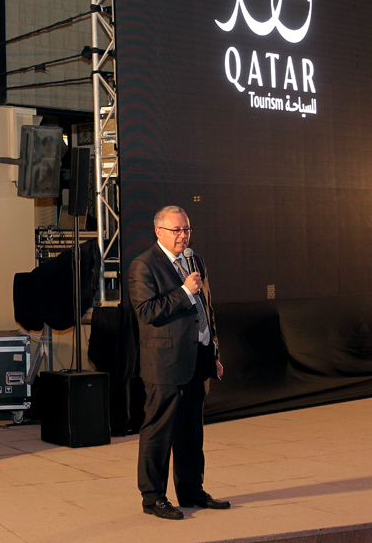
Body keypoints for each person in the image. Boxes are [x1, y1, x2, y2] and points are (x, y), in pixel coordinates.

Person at [128, 205, 229, 520]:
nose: (183, 235)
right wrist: (184, 291)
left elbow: (206, 308)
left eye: (186, 229)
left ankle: (191, 491)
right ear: (159, 232)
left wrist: (213, 350)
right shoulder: (144, 265)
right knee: (159, 431)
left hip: (197, 357)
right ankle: (153, 497)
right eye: (176, 230)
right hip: (165, 362)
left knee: (191, 431)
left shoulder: (194, 260)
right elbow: (147, 312)